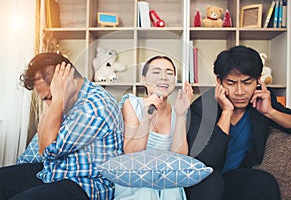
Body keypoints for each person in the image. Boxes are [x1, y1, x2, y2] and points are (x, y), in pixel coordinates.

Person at [0, 52, 124, 200]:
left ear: (66, 81)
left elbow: (46, 150)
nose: (48, 104)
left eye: (49, 97)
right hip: (54, 172)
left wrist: (57, 99)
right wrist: (56, 99)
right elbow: (42, 136)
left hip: (85, 186)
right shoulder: (69, 99)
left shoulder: (94, 107)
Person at [184, 45, 291, 200]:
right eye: (232, 83)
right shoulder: (201, 109)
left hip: (234, 179)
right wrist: (227, 112)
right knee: (212, 182)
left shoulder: (261, 100)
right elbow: (206, 163)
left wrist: (270, 112)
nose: (240, 91)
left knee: (264, 182)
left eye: (247, 83)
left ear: (258, 80)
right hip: (203, 182)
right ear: (219, 81)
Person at [114, 55, 193, 200]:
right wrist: (147, 117)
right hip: (135, 176)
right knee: (145, 193)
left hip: (165, 179)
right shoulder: (131, 104)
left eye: (169, 73)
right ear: (144, 79)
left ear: (174, 81)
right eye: (156, 72)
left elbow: (180, 158)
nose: (164, 77)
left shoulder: (179, 110)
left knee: (171, 191)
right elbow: (130, 152)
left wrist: (181, 115)